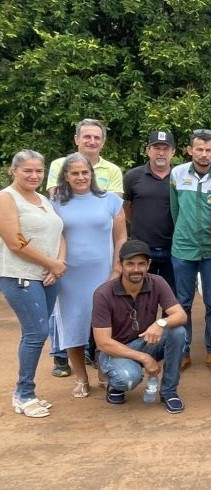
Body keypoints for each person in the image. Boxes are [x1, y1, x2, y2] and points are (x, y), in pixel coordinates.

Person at [47, 118, 123, 377]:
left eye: (85, 173)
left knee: (105, 325)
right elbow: (53, 237)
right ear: (65, 176)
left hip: (103, 273)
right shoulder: (55, 203)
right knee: (74, 325)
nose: (80, 177)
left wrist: (117, 269)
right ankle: (81, 378)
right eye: (75, 173)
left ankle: (104, 373)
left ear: (92, 175)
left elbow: (121, 237)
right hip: (69, 275)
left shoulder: (110, 200)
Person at [0, 150, 65, 418]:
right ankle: (24, 394)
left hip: (49, 276)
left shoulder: (43, 199)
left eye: (39, 170)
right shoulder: (6, 198)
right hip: (20, 275)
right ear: (13, 171)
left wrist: (58, 264)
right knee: (36, 333)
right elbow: (15, 241)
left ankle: (27, 391)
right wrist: (50, 264)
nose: (34, 175)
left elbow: (60, 232)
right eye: (27, 170)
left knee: (39, 332)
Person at [92, 240, 188, 413]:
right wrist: (145, 358)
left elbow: (181, 315)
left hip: (144, 342)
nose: (136, 269)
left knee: (177, 332)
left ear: (149, 265)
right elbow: (103, 343)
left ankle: (169, 392)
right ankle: (116, 385)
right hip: (114, 351)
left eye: (141, 264)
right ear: (120, 265)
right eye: (130, 264)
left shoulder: (157, 282)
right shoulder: (103, 293)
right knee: (128, 378)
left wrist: (160, 323)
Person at [169, 128, 211, 372]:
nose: (204, 154)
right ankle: (183, 351)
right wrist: (181, 233)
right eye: (199, 149)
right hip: (183, 248)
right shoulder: (177, 173)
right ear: (190, 150)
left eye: (209, 150)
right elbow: (175, 210)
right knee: (182, 303)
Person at [123, 130, 177, 290]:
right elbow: (126, 207)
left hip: (173, 249)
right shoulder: (133, 176)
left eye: (165, 149)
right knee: (141, 296)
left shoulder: (180, 177)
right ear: (147, 150)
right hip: (142, 250)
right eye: (156, 148)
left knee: (172, 297)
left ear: (173, 152)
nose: (161, 153)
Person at [46, 118, 124, 196]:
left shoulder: (113, 170)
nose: (92, 142)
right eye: (87, 137)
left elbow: (114, 204)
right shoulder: (59, 165)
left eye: (97, 138)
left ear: (103, 142)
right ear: (76, 139)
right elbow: (57, 198)